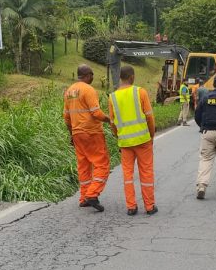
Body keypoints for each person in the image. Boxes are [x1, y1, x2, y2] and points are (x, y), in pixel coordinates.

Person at [108, 65, 158, 216]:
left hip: (125, 143)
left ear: (120, 78)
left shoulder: (112, 97)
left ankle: (131, 207)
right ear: (131, 77)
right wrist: (151, 135)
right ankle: (149, 206)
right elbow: (149, 117)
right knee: (146, 173)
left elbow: (112, 122)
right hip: (143, 140)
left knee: (127, 175)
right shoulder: (140, 92)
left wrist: (119, 137)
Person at [63, 64, 111, 212]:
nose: (93, 78)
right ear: (87, 75)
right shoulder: (89, 90)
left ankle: (84, 197)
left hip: (77, 134)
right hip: (92, 133)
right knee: (102, 164)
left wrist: (72, 134)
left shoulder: (69, 91)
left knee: (83, 166)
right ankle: (92, 194)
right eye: (92, 75)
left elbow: (66, 117)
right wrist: (110, 119)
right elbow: (96, 113)